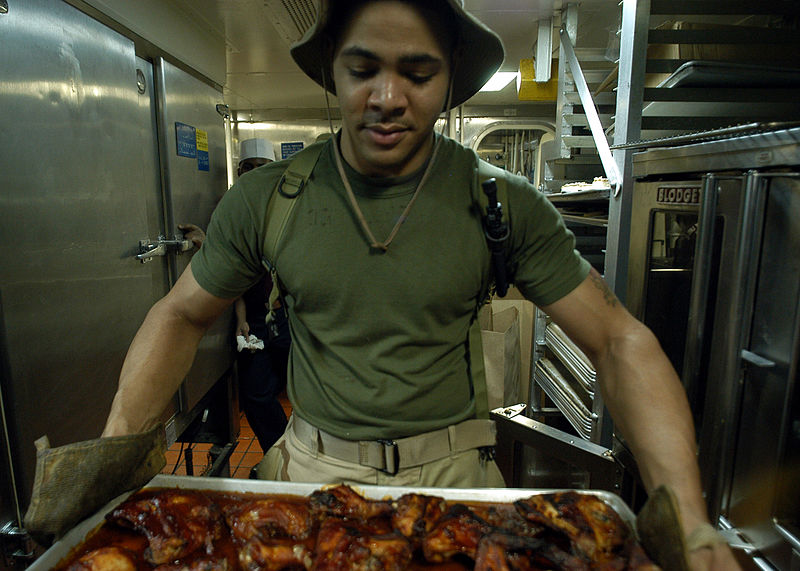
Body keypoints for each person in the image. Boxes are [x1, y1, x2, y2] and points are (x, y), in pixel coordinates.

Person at [103, 2, 738, 568]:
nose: (386, 97)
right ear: (331, 65)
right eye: (362, 69)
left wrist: (688, 519)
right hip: (310, 481)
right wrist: (110, 461)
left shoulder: (500, 204)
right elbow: (180, 315)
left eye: (417, 72)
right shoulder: (269, 201)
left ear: (453, 68)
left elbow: (618, 340)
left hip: (455, 485)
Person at [178, 137, 291, 452]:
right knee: (256, 395)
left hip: (293, 316)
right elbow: (233, 274)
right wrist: (240, 317)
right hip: (255, 319)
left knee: (307, 393)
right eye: (248, 168)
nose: (254, 173)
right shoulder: (233, 209)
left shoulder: (291, 207)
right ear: (239, 172)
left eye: (261, 168)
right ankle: (279, 456)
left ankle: (302, 460)